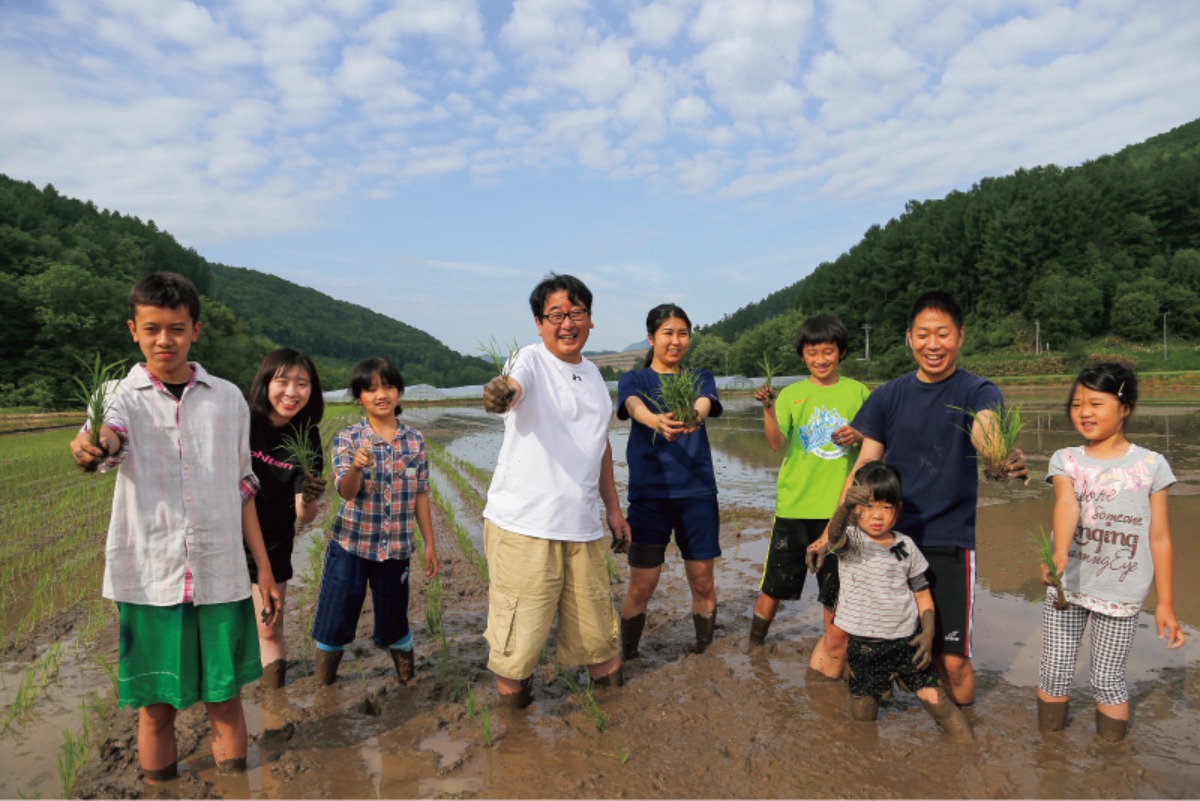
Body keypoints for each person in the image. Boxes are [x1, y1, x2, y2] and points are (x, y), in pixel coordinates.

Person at [68, 271, 280, 781]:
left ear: (196, 331)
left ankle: (235, 787)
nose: (166, 340)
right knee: (156, 709)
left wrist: (265, 572)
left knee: (225, 700)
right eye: (153, 328)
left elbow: (243, 489)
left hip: (220, 577)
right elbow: (105, 438)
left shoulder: (227, 398)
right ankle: (162, 790)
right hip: (150, 580)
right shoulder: (119, 394)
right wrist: (91, 447)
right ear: (133, 330)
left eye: (177, 329)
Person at [820, 291, 1027, 706]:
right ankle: (831, 713)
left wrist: (998, 454)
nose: (933, 344)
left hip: (948, 540)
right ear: (909, 338)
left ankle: (964, 740)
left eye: (943, 334)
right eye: (924, 335)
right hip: (884, 539)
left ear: (960, 336)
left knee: (950, 660)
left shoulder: (978, 391)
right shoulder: (888, 396)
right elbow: (863, 467)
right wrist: (830, 532)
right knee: (849, 637)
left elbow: (985, 428)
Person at [481, 273, 630, 710]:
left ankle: (614, 725)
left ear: (590, 320)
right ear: (539, 322)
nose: (567, 323)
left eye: (576, 313)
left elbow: (599, 446)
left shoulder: (595, 376)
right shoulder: (528, 360)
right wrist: (501, 392)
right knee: (518, 650)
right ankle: (513, 744)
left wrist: (614, 511)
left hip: (581, 529)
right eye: (556, 315)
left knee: (600, 639)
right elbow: (512, 385)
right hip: (524, 527)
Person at [1036, 362, 1184, 742]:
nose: (1084, 412)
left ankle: (1110, 759)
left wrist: (1165, 603)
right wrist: (1060, 555)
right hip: (1067, 586)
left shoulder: (1151, 465)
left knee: (1108, 678)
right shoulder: (1066, 459)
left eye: (1096, 403)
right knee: (1055, 670)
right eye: (1076, 403)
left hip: (1121, 592)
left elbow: (1160, 537)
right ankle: (1049, 752)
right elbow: (1067, 505)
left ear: (1126, 407)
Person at [749, 313, 868, 683]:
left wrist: (858, 435)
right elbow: (774, 443)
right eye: (812, 352)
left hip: (840, 510)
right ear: (803, 355)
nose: (820, 359)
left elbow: (875, 441)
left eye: (828, 352)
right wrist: (768, 408)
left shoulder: (858, 393)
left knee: (834, 590)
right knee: (775, 584)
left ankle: (833, 650)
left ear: (842, 352)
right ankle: (754, 644)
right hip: (795, 505)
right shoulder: (792, 395)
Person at [310, 357, 439, 685]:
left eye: (388, 386)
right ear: (358, 397)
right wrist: (355, 467)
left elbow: (421, 493)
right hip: (351, 544)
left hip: (396, 547)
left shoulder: (415, 441)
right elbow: (346, 492)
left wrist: (430, 545)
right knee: (335, 617)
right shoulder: (349, 439)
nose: (381, 394)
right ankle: (325, 685)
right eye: (371, 389)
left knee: (395, 618)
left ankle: (406, 680)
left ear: (399, 392)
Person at [822, 461, 973, 740]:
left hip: (907, 644)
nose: (877, 515)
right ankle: (868, 774)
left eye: (886, 507)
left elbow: (921, 593)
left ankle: (971, 754)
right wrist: (843, 508)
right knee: (864, 721)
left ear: (898, 510)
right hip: (865, 650)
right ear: (855, 509)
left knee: (941, 708)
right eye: (867, 506)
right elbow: (834, 537)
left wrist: (928, 633)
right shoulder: (852, 542)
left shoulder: (905, 546)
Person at [617, 304, 722, 657]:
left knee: (702, 579)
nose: (675, 341)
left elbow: (705, 403)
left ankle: (705, 650)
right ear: (651, 337)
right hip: (650, 496)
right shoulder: (635, 379)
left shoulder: (701, 377)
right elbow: (632, 405)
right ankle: (628, 655)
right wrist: (655, 421)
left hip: (697, 493)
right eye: (667, 333)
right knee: (642, 584)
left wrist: (692, 414)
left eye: (682, 333)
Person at [245, 348, 327, 688]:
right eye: (283, 381)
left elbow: (304, 517)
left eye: (302, 384)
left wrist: (309, 496)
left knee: (270, 625)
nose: (292, 392)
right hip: (224, 535)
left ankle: (273, 699)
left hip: (274, 539)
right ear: (265, 383)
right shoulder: (243, 421)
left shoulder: (307, 437)